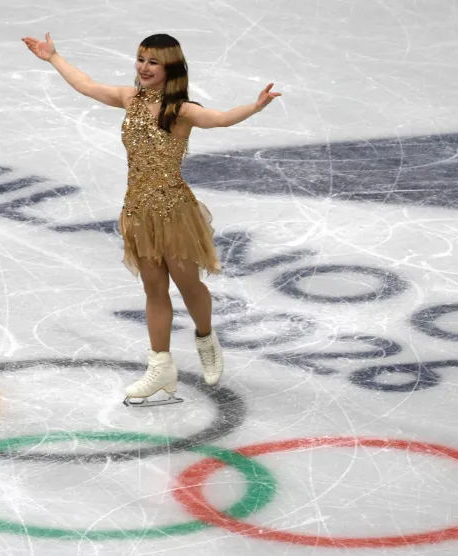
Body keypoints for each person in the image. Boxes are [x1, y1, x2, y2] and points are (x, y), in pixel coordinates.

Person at [22, 32, 281, 406]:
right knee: (154, 288)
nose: (144, 68)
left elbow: (221, 119)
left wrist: (255, 107)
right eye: (141, 59)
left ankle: (206, 337)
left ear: (170, 67)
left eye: (153, 62)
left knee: (188, 284)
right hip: (138, 210)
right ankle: (161, 365)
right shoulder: (130, 99)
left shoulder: (182, 111)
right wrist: (53, 57)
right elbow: (87, 86)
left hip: (173, 210)